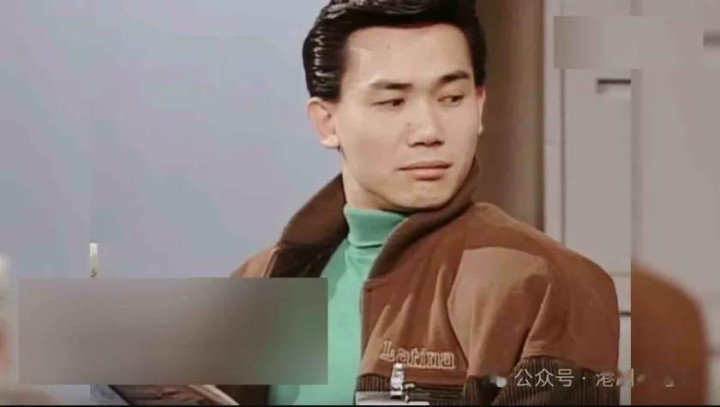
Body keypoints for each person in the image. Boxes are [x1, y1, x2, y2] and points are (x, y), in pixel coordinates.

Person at [219, 0, 619, 404]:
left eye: (452, 97)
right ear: (327, 122)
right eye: (393, 102)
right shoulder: (259, 281)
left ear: (479, 105)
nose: (429, 131)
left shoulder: (545, 283)